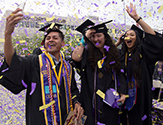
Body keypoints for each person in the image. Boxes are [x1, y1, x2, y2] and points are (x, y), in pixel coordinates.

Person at [0, 8, 84, 125]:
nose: (50, 40)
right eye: (48, 38)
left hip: (65, 119)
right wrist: (8, 34)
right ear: (44, 43)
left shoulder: (68, 67)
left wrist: (76, 103)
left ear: (63, 43)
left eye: (55, 38)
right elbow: (12, 62)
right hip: (41, 119)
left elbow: (73, 89)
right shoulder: (35, 61)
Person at [71, 19, 127, 125]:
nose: (96, 39)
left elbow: (121, 74)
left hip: (109, 101)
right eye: (93, 36)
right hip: (89, 100)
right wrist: (85, 38)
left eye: (99, 36)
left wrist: (123, 93)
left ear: (105, 37)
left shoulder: (116, 54)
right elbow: (75, 58)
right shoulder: (87, 53)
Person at [115, 2, 163, 125]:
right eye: (126, 35)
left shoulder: (143, 53)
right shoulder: (122, 55)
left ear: (138, 38)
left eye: (132, 35)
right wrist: (117, 42)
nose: (128, 37)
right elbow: (107, 58)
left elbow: (155, 39)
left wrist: (137, 18)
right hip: (122, 96)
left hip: (140, 97)